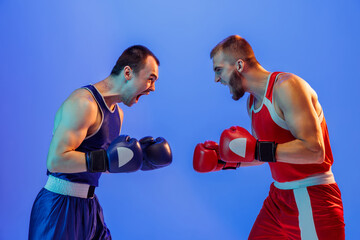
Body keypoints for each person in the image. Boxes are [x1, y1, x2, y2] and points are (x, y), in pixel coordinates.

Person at [193, 35, 345, 239]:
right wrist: (224, 160)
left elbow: (315, 150)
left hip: (312, 196)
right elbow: (265, 154)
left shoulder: (286, 87)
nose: (216, 79)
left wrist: (256, 149)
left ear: (239, 65)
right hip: (278, 200)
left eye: (218, 70)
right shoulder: (253, 103)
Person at [29, 45, 172, 239]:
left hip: (90, 208)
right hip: (59, 206)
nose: (152, 88)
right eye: (151, 78)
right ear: (128, 72)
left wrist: (138, 159)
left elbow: (104, 163)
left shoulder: (117, 114)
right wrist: (105, 160)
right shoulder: (83, 103)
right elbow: (55, 160)